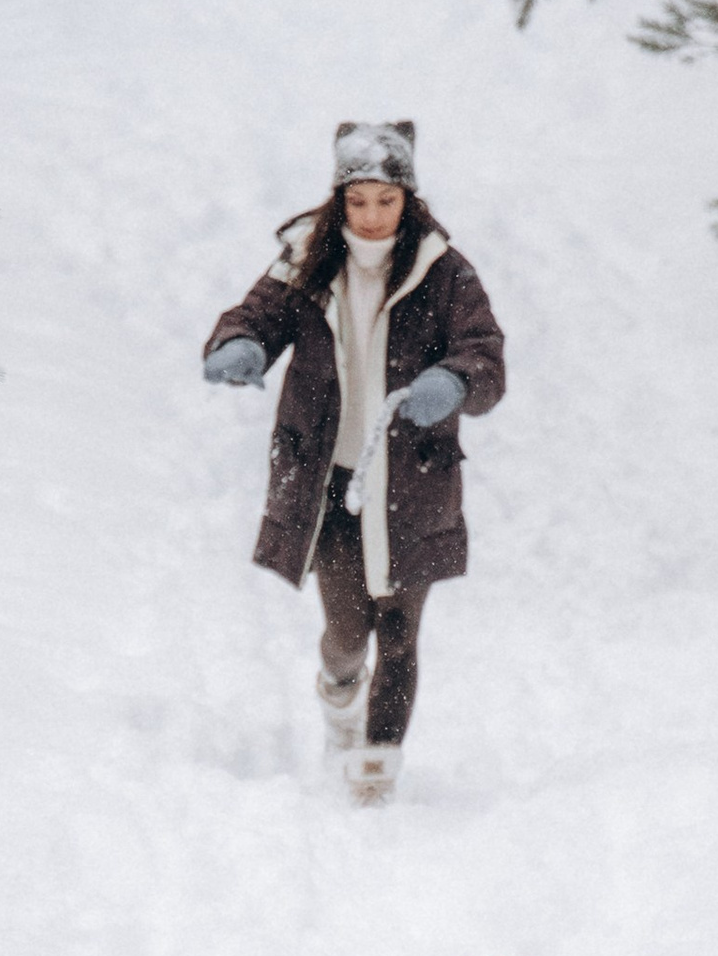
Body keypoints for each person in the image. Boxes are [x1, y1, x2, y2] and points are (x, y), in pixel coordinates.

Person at [201, 121, 507, 807]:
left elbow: (485, 353)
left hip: (414, 482)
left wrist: (456, 381)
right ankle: (339, 698)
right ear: (340, 200)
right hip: (329, 483)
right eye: (358, 201)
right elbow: (256, 315)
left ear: (409, 200)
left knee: (399, 633)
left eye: (386, 201)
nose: (371, 217)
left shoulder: (445, 272)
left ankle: (376, 768)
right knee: (347, 630)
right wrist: (240, 345)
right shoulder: (304, 262)